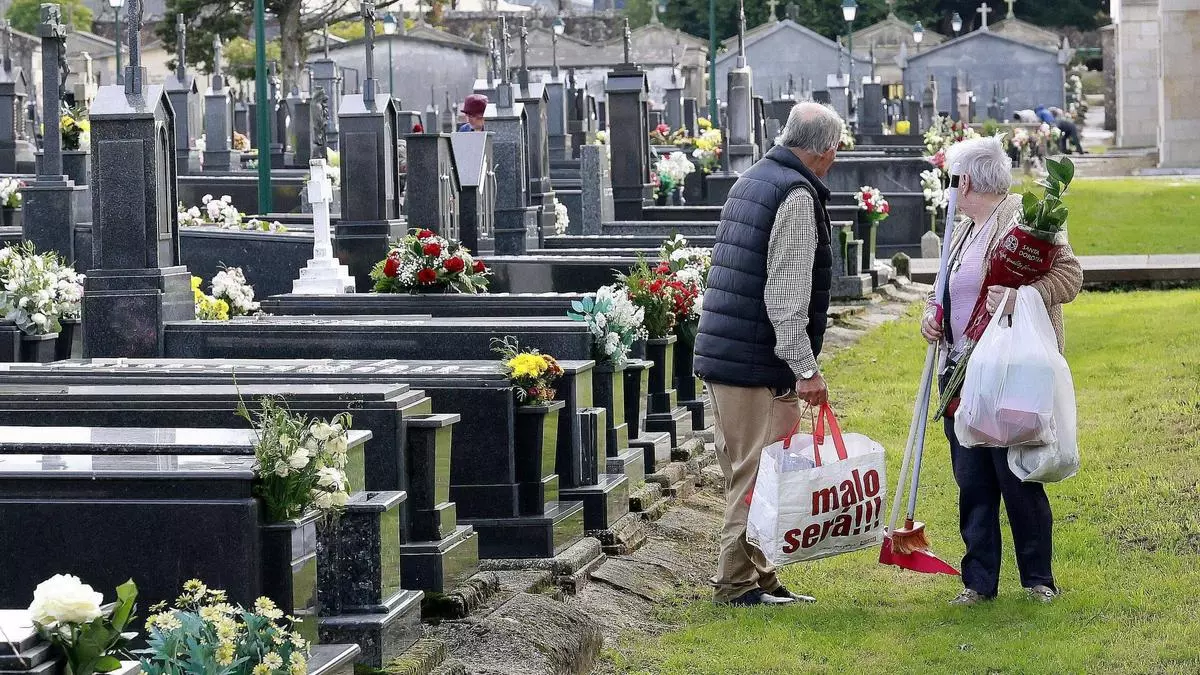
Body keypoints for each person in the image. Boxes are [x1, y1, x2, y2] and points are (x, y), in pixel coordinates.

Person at [920, 135, 1083, 607]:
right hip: (961, 372)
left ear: (965, 181)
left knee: (1017, 475)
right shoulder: (964, 228)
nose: (950, 190)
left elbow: (1070, 277)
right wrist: (932, 317)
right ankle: (978, 582)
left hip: (1011, 370)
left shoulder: (1023, 218)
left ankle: (1037, 579)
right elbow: (951, 291)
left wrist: (1019, 297)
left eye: (952, 181)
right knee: (972, 480)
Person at [693, 101, 844, 607]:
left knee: (756, 471)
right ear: (825, 150)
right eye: (835, 151)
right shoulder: (796, 194)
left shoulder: (755, 177)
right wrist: (805, 368)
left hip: (731, 352)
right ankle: (735, 585)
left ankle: (762, 578)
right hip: (753, 357)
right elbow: (784, 296)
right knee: (754, 477)